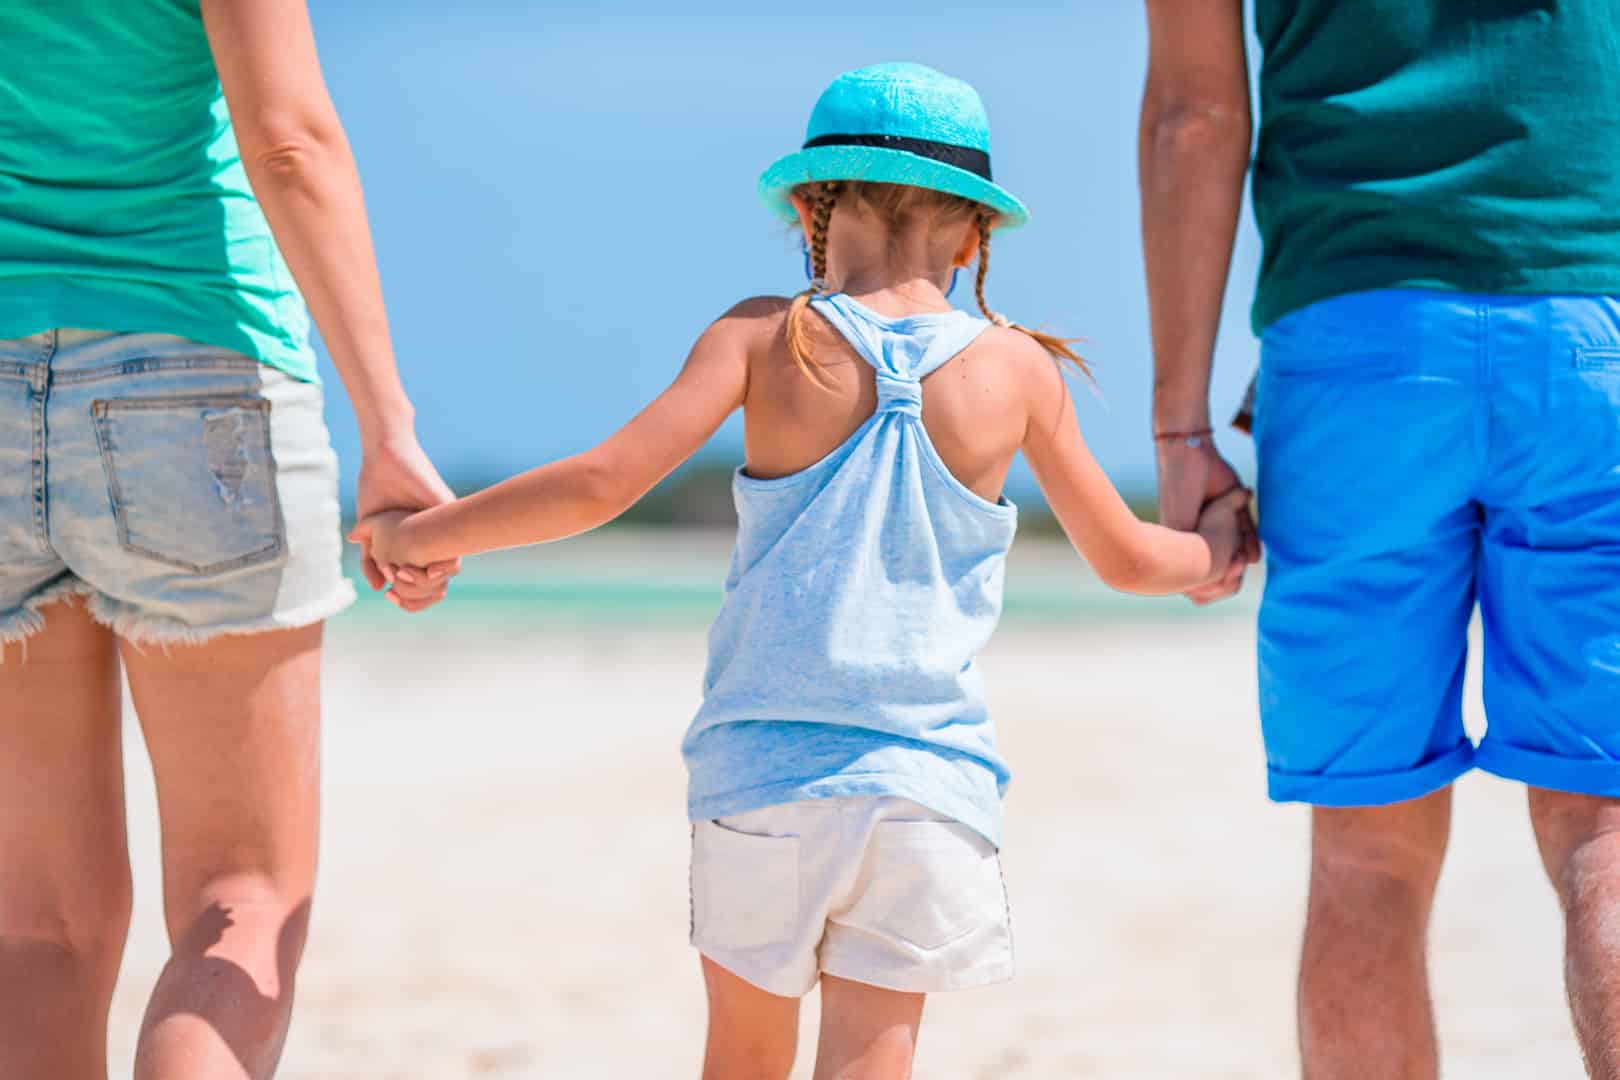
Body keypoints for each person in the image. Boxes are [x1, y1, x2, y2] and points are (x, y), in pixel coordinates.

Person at [352, 62, 1247, 1079]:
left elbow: (602, 484)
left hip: (764, 777)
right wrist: (1219, 549)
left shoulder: (763, 336)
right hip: (927, 785)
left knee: (742, 1053)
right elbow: (1128, 558)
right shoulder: (1018, 372)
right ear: (972, 234)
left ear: (813, 209)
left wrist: (418, 536)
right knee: (877, 1054)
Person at [1140, 1, 1620, 1075]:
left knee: (1368, 849)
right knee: (1606, 825)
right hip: (1594, 317)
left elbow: (1195, 115)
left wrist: (1181, 431)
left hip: (1356, 341)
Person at [0, 2, 456, 1077]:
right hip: (196, 364)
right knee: (238, 901)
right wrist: (389, 425)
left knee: (35, 931)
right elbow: (289, 141)